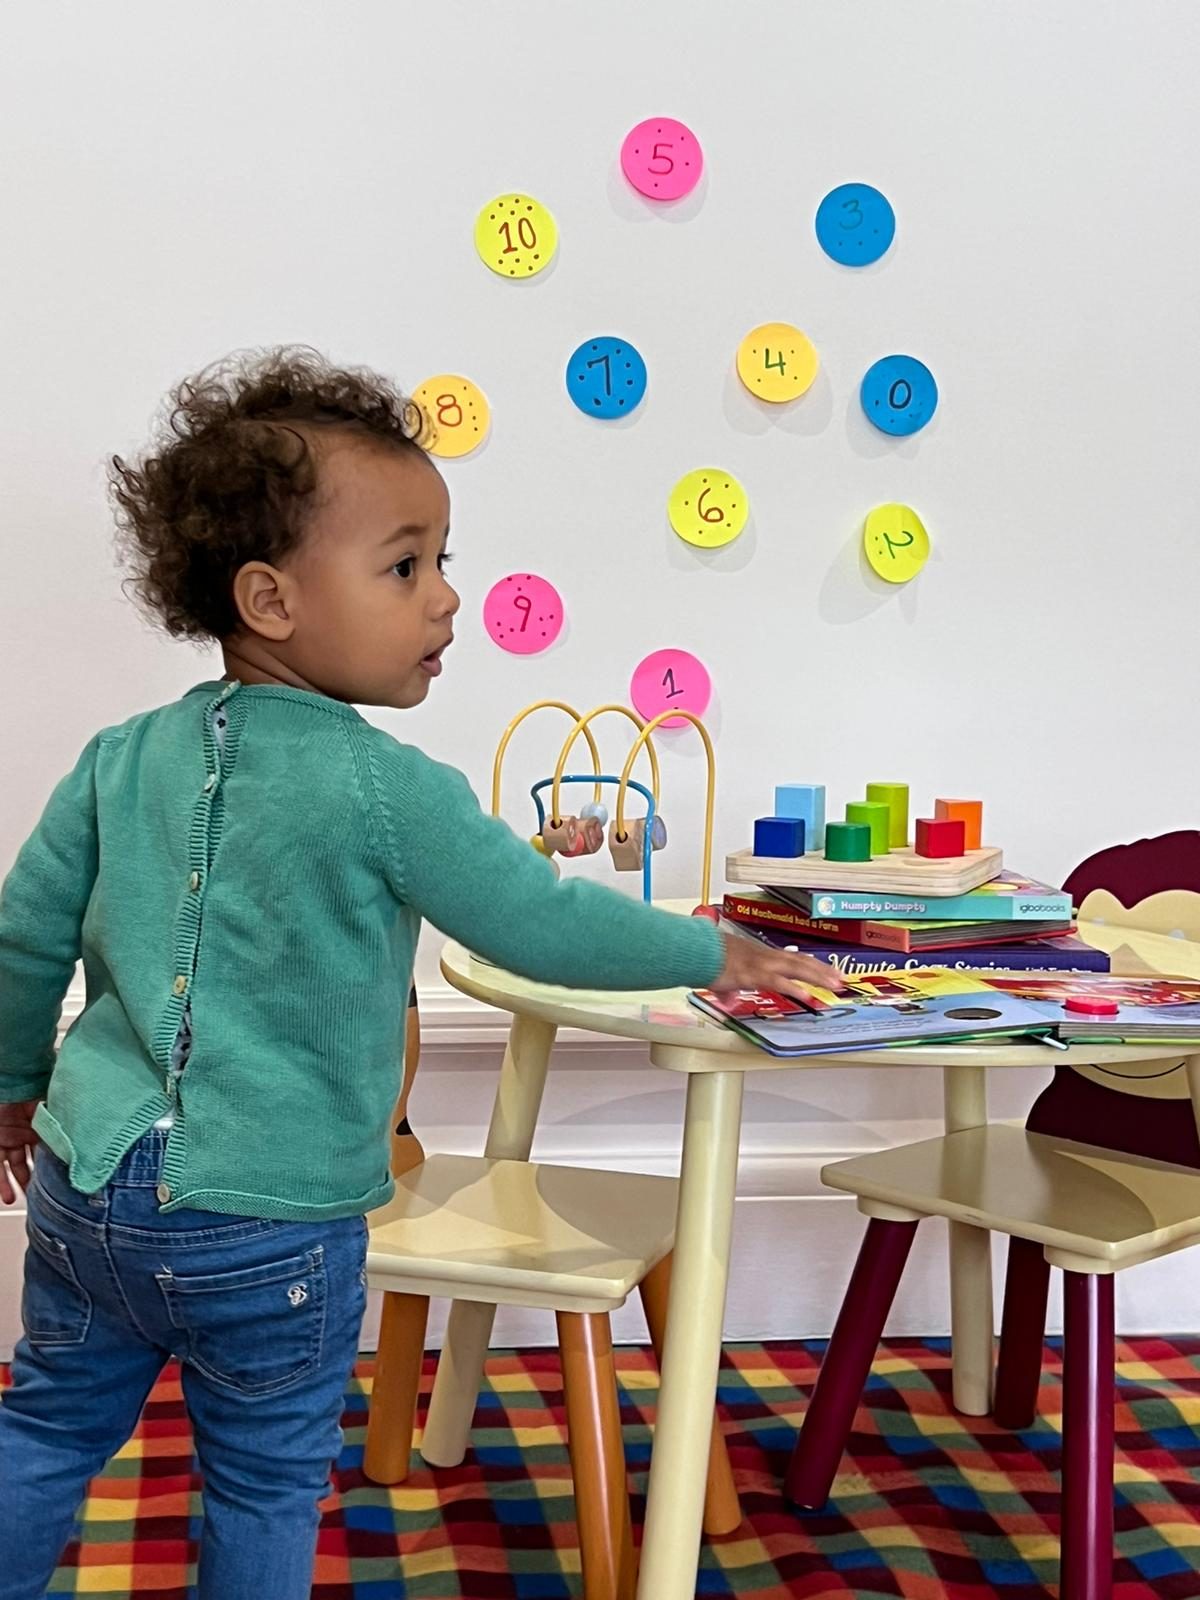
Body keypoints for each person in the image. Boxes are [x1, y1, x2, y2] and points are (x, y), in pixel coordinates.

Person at [0, 347, 842, 1599]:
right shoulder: (388, 787)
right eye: (407, 566)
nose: (446, 597)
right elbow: (539, 924)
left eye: (442, 558)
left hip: (87, 1189)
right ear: (272, 600)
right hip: (270, 1226)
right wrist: (705, 947)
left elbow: (24, 938)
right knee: (265, 1475)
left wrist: (14, 1088)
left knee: (51, 1423)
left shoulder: (122, 757)